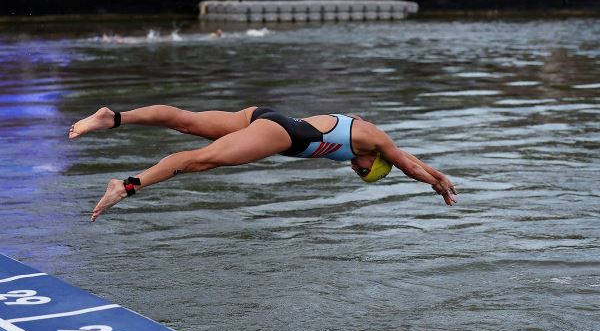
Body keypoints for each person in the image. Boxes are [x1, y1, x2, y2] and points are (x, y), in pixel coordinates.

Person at [68, 106, 458, 222]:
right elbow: (404, 163)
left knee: (185, 122)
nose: (355, 170)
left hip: (263, 118)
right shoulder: (373, 138)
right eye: (362, 171)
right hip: (280, 135)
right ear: (374, 161)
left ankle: (113, 117)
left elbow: (406, 157)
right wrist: (434, 184)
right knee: (202, 161)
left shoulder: (376, 145)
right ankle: (126, 186)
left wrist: (438, 175)